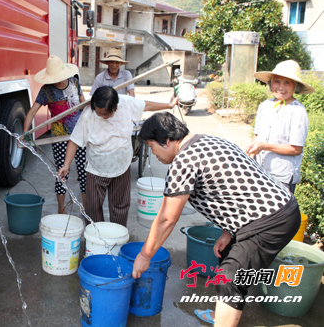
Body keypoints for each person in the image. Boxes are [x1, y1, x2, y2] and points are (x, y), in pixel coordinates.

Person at [132, 112, 300, 327]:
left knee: (231, 277)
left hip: (270, 221)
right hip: (276, 208)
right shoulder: (207, 140)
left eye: (151, 144)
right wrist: (228, 231)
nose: (152, 152)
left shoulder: (184, 160)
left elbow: (167, 218)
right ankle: (222, 314)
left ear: (165, 140)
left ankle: (224, 321)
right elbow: (236, 185)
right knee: (228, 258)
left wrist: (145, 256)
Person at [57, 86, 177, 226]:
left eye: (107, 114)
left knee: (120, 207)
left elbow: (146, 105)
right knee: (93, 208)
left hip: (122, 166)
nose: (103, 116)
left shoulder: (126, 103)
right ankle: (96, 241)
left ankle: (117, 239)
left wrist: (169, 105)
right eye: (99, 113)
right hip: (96, 169)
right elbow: (74, 141)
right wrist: (66, 165)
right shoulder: (89, 114)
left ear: (116, 107)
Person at [23, 55, 87, 214]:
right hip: (60, 138)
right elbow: (32, 112)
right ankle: (61, 209)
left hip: (79, 135)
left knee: (84, 174)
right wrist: (25, 133)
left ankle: (88, 210)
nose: (57, 81)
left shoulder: (74, 82)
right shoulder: (46, 90)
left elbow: (84, 105)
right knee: (61, 174)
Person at [247, 60, 314, 195]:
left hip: (282, 177)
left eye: (287, 82)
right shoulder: (265, 106)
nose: (281, 87)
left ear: (295, 86)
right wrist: (250, 156)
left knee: (278, 215)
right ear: (271, 83)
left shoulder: (298, 111)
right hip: (259, 173)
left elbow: (296, 149)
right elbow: (257, 136)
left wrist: (265, 146)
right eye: (277, 81)